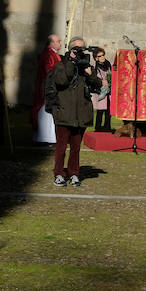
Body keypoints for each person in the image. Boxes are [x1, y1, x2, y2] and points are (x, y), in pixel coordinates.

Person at [47, 46, 102, 187]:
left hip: (81, 114)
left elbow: (97, 85)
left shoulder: (85, 67)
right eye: (74, 51)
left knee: (76, 148)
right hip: (64, 112)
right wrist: (71, 64)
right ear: (69, 51)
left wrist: (90, 74)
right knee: (61, 147)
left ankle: (74, 174)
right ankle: (59, 173)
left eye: (80, 51)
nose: (77, 54)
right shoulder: (61, 65)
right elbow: (61, 81)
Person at [33, 34, 62, 143]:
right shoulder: (49, 54)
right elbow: (49, 71)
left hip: (50, 86)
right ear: (51, 43)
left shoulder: (53, 54)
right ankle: (45, 138)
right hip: (48, 87)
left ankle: (48, 137)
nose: (60, 43)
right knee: (45, 112)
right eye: (58, 41)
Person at [91, 48, 112, 132]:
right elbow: (93, 79)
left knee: (109, 111)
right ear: (96, 58)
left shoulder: (108, 64)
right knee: (100, 111)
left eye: (103, 55)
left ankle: (107, 127)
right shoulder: (94, 67)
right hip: (100, 91)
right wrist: (101, 81)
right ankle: (98, 128)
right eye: (100, 56)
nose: (103, 57)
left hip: (109, 91)